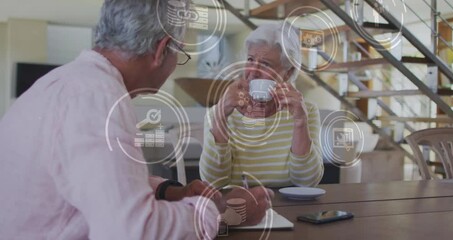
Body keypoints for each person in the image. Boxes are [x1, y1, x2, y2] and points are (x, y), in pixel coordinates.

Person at [0, 0, 272, 239]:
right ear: (161, 49)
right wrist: (223, 212)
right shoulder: (98, 98)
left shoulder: (67, 82)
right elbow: (134, 232)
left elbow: (98, 180)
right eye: (180, 54)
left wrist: (169, 191)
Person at [199, 22, 324, 188]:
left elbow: (308, 182)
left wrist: (300, 122)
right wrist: (220, 117)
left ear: (288, 72)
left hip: (288, 210)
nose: (253, 71)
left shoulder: (306, 112)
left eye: (265, 64)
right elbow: (214, 182)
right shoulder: (218, 113)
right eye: (250, 59)